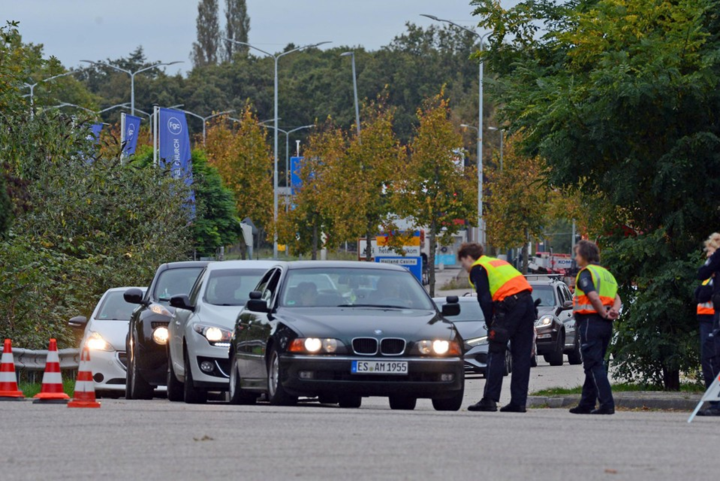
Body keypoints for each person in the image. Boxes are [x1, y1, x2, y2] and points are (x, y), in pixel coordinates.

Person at [458, 242, 535, 413]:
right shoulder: (498, 263)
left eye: (462, 262)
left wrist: (490, 324)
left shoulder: (478, 268)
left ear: (468, 257)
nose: (463, 267)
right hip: (527, 303)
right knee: (521, 356)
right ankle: (519, 402)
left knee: (496, 350)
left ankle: (490, 399)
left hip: (509, 307)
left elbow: (484, 298)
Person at [568, 240, 621, 415]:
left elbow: (593, 296)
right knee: (595, 363)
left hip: (591, 321)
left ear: (584, 255)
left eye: (577, 254)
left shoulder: (586, 273)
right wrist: (613, 311)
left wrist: (602, 312)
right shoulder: (606, 274)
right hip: (605, 325)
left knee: (593, 364)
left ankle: (606, 404)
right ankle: (587, 403)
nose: (576, 258)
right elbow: (617, 297)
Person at [695, 233, 720, 416]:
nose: (708, 260)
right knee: (709, 359)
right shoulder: (710, 277)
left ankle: (716, 403)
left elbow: (703, 294)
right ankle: (714, 401)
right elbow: (698, 295)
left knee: (712, 359)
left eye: (711, 255)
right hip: (706, 319)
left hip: (712, 319)